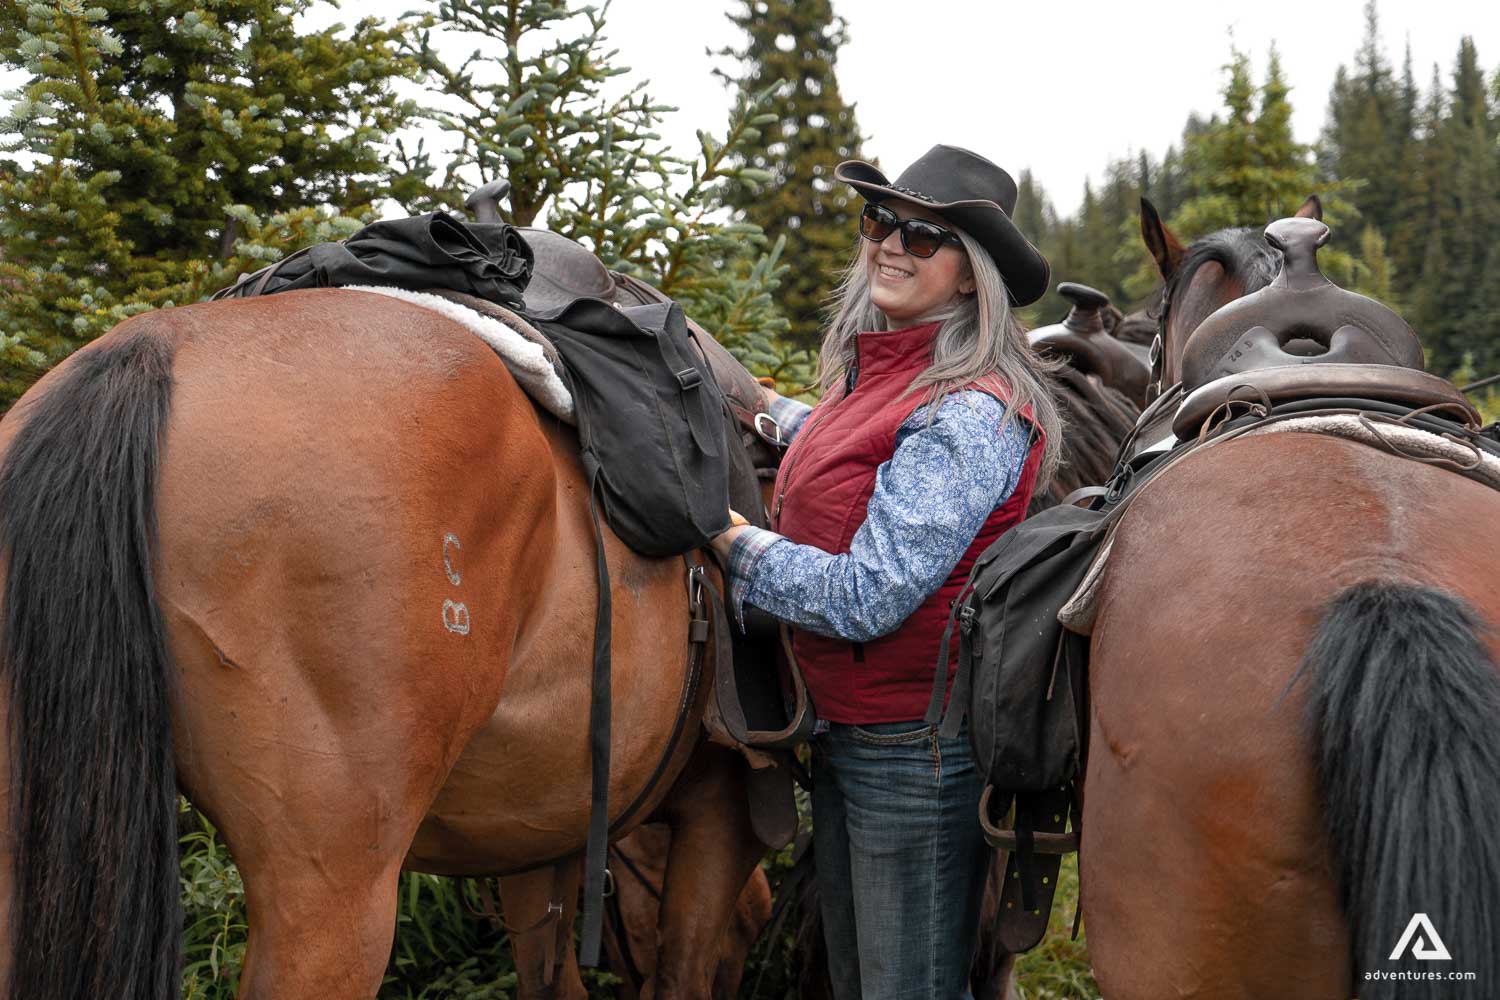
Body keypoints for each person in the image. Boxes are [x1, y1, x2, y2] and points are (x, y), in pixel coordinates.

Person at [708, 144, 1063, 999]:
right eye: (880, 222)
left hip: (913, 751)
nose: (891, 245)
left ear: (972, 276)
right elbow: (854, 445)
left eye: (924, 237)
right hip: (852, 733)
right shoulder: (887, 377)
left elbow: (871, 595)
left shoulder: (966, 412)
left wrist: (729, 543)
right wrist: (755, 407)